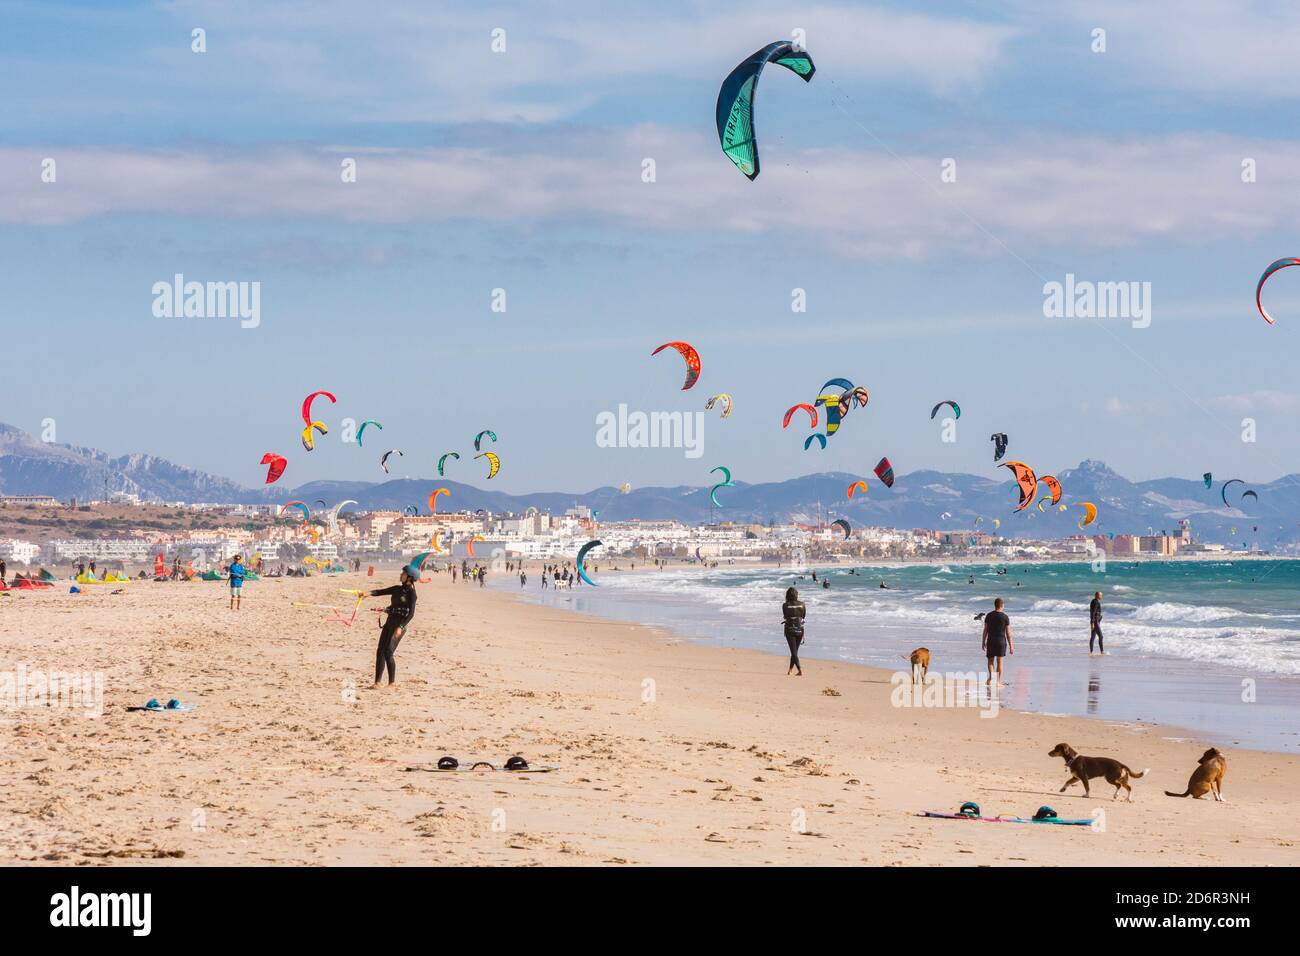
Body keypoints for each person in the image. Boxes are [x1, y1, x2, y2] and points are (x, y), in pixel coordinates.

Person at [369, 564, 418, 687]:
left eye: (403, 574)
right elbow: (381, 591)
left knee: (388, 652)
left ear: (409, 578)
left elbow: (411, 614)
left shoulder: (412, 593)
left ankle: (392, 683)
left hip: (399, 625)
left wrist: (400, 627)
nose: (401, 575)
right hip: (389, 622)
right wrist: (367, 594)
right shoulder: (397, 589)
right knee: (380, 651)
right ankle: (377, 682)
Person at [981, 597, 1014, 685]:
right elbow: (1008, 634)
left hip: (991, 641)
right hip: (1001, 642)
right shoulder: (1005, 617)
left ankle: (991, 678)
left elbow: (985, 630)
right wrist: (1011, 646)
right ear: (1002, 605)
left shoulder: (989, 615)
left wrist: (983, 642)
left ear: (995, 605)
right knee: (1000, 662)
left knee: (990, 661)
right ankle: (998, 681)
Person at [782, 586, 806, 677]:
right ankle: (790, 670)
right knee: (795, 651)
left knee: (793, 652)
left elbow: (785, 616)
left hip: (789, 629)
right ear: (796, 595)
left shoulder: (785, 605)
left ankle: (800, 670)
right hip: (800, 629)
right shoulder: (802, 604)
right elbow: (803, 616)